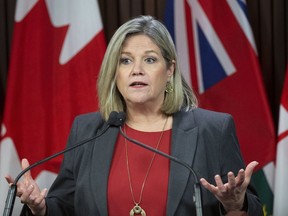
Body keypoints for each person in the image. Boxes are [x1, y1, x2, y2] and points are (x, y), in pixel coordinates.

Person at [6, 15, 263, 216]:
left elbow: (250, 207)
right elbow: (65, 206)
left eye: (149, 60)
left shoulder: (213, 130)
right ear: (113, 71)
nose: (136, 70)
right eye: (125, 61)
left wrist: (235, 204)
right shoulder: (87, 131)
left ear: (170, 69)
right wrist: (40, 209)